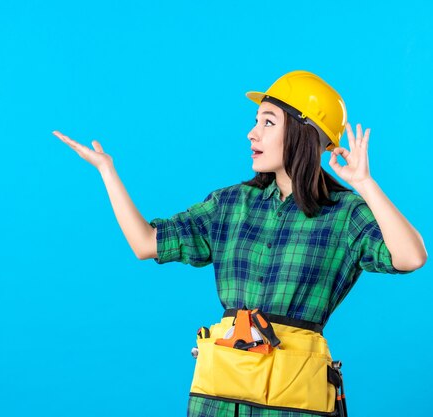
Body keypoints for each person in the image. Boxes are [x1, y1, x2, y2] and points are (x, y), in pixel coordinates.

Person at [52, 70, 427, 417]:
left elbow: (410, 257)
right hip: (220, 396)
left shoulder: (344, 213)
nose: (252, 133)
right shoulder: (230, 205)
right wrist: (107, 170)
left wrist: (365, 185)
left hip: (293, 402)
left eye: (267, 122)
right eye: (255, 121)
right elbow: (146, 243)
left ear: (304, 133)